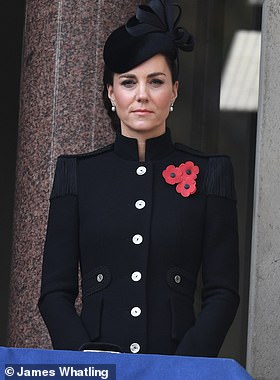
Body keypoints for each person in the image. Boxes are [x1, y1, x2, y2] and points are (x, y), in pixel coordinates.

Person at [38, 0, 239, 357]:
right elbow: (55, 293)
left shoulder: (212, 174)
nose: (142, 95)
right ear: (111, 93)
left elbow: (222, 293)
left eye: (156, 81)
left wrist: (182, 368)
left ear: (174, 91)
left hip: (176, 364)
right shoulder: (78, 174)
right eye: (129, 82)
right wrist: (87, 360)